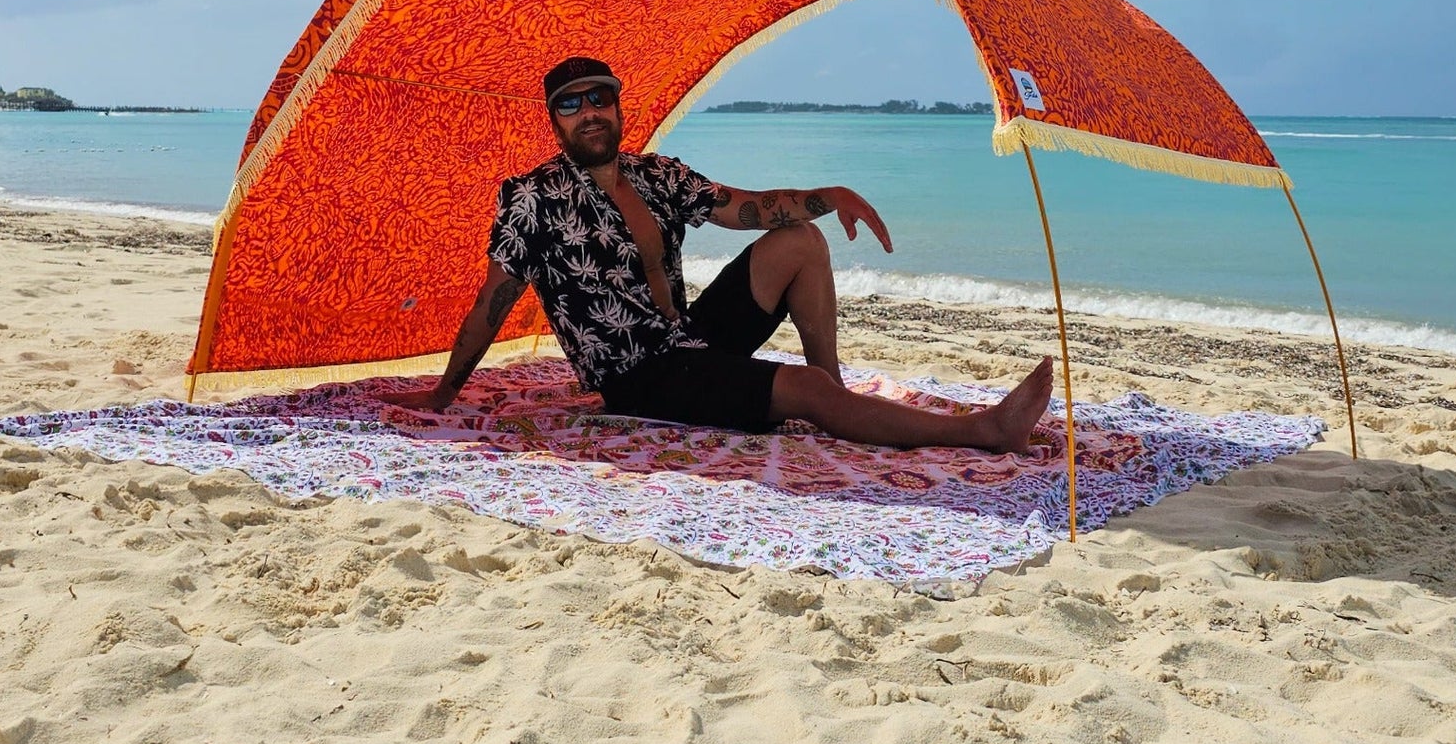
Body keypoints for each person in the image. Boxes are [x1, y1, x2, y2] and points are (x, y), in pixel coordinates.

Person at [379, 55, 1054, 450]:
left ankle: (837, 401)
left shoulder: (658, 175)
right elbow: (491, 306)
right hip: (638, 372)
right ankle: (983, 432)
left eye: (599, 99)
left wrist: (830, 192)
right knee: (801, 391)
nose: (588, 113)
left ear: (619, 106)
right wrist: (443, 396)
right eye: (570, 105)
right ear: (554, 120)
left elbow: (749, 208)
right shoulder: (533, 197)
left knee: (798, 240)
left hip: (688, 338)